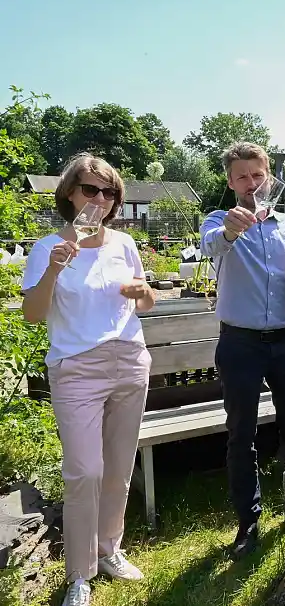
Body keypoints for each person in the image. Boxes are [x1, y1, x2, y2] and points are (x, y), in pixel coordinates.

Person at [21, 153, 155, 606]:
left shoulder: (123, 244)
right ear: (70, 194)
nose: (100, 199)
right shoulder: (47, 248)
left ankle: (110, 549)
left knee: (118, 469)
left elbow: (144, 302)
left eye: (109, 192)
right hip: (76, 368)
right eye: (90, 189)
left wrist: (144, 292)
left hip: (130, 361)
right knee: (84, 472)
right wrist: (55, 269)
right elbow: (33, 314)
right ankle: (80, 574)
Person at [199, 141, 285, 560]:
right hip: (240, 344)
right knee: (241, 434)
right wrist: (231, 230)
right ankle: (247, 522)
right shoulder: (219, 221)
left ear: (268, 176)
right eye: (242, 177)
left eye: (258, 174)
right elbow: (212, 245)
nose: (252, 183)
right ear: (231, 183)